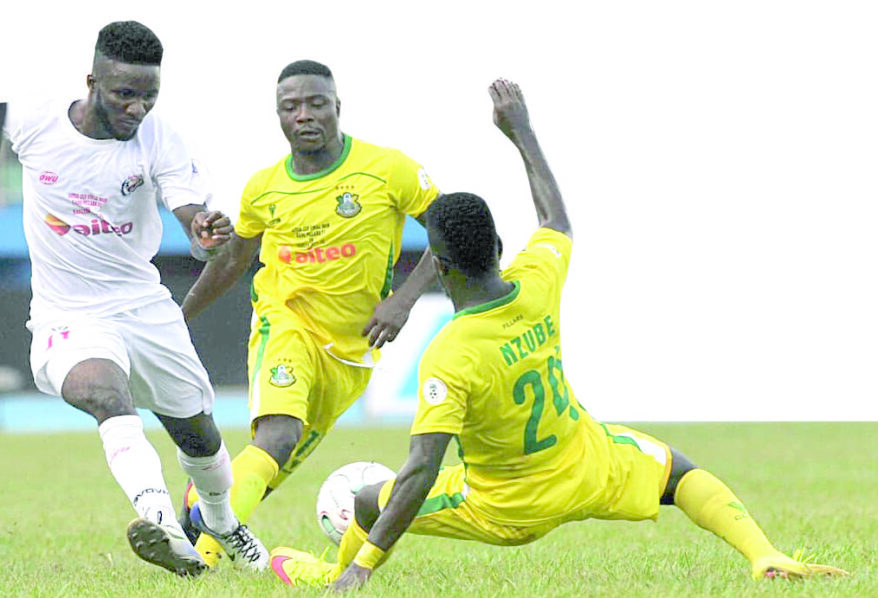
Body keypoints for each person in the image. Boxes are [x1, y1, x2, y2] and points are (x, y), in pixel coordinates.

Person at [268, 79, 850, 591]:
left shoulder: (448, 354)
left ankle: (333, 573)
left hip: (506, 505)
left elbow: (421, 470)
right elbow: (556, 220)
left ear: (439, 268)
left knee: (368, 498)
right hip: (585, 462)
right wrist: (520, 130)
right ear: (498, 247)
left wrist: (365, 564)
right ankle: (764, 554)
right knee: (678, 472)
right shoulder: (537, 279)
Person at [0, 21, 268, 576]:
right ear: (92, 82)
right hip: (68, 313)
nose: (137, 108)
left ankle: (221, 522)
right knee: (106, 395)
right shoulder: (33, 119)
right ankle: (163, 524)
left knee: (198, 435)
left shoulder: (161, 139)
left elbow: (192, 218)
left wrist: (204, 234)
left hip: (143, 308)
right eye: (125, 93)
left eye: (149, 95)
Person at [178, 59, 441, 567]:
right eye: (290, 107)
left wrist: (404, 299)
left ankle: (200, 506)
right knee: (277, 437)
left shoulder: (388, 169)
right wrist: (178, 318)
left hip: (352, 352)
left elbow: (448, 228)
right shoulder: (264, 187)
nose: (303, 115)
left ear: (337, 106)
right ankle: (201, 559)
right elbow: (232, 261)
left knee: (270, 467)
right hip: (287, 322)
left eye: (316, 103)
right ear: (278, 115)